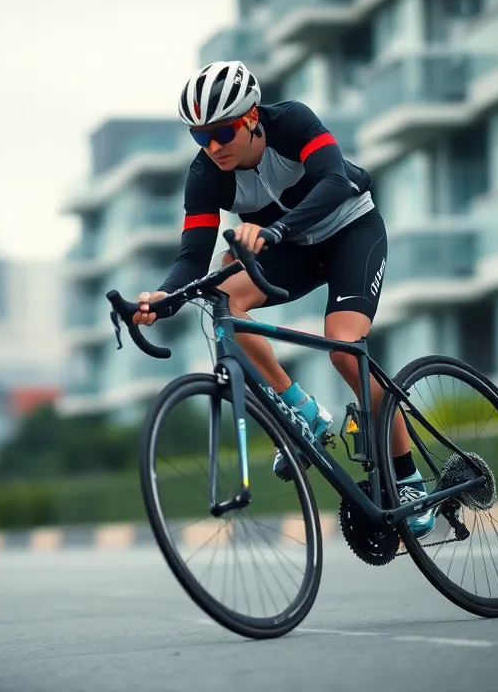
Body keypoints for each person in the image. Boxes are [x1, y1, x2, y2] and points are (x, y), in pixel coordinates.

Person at [132, 60, 435, 539]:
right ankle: (303, 411)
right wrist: (160, 299)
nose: (212, 148)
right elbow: (191, 258)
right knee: (221, 299)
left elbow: (336, 179)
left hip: (350, 230)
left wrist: (275, 229)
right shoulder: (205, 175)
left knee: (342, 348)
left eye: (222, 133)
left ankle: (407, 476)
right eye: (199, 137)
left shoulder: (291, 120)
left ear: (251, 117)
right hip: (292, 247)